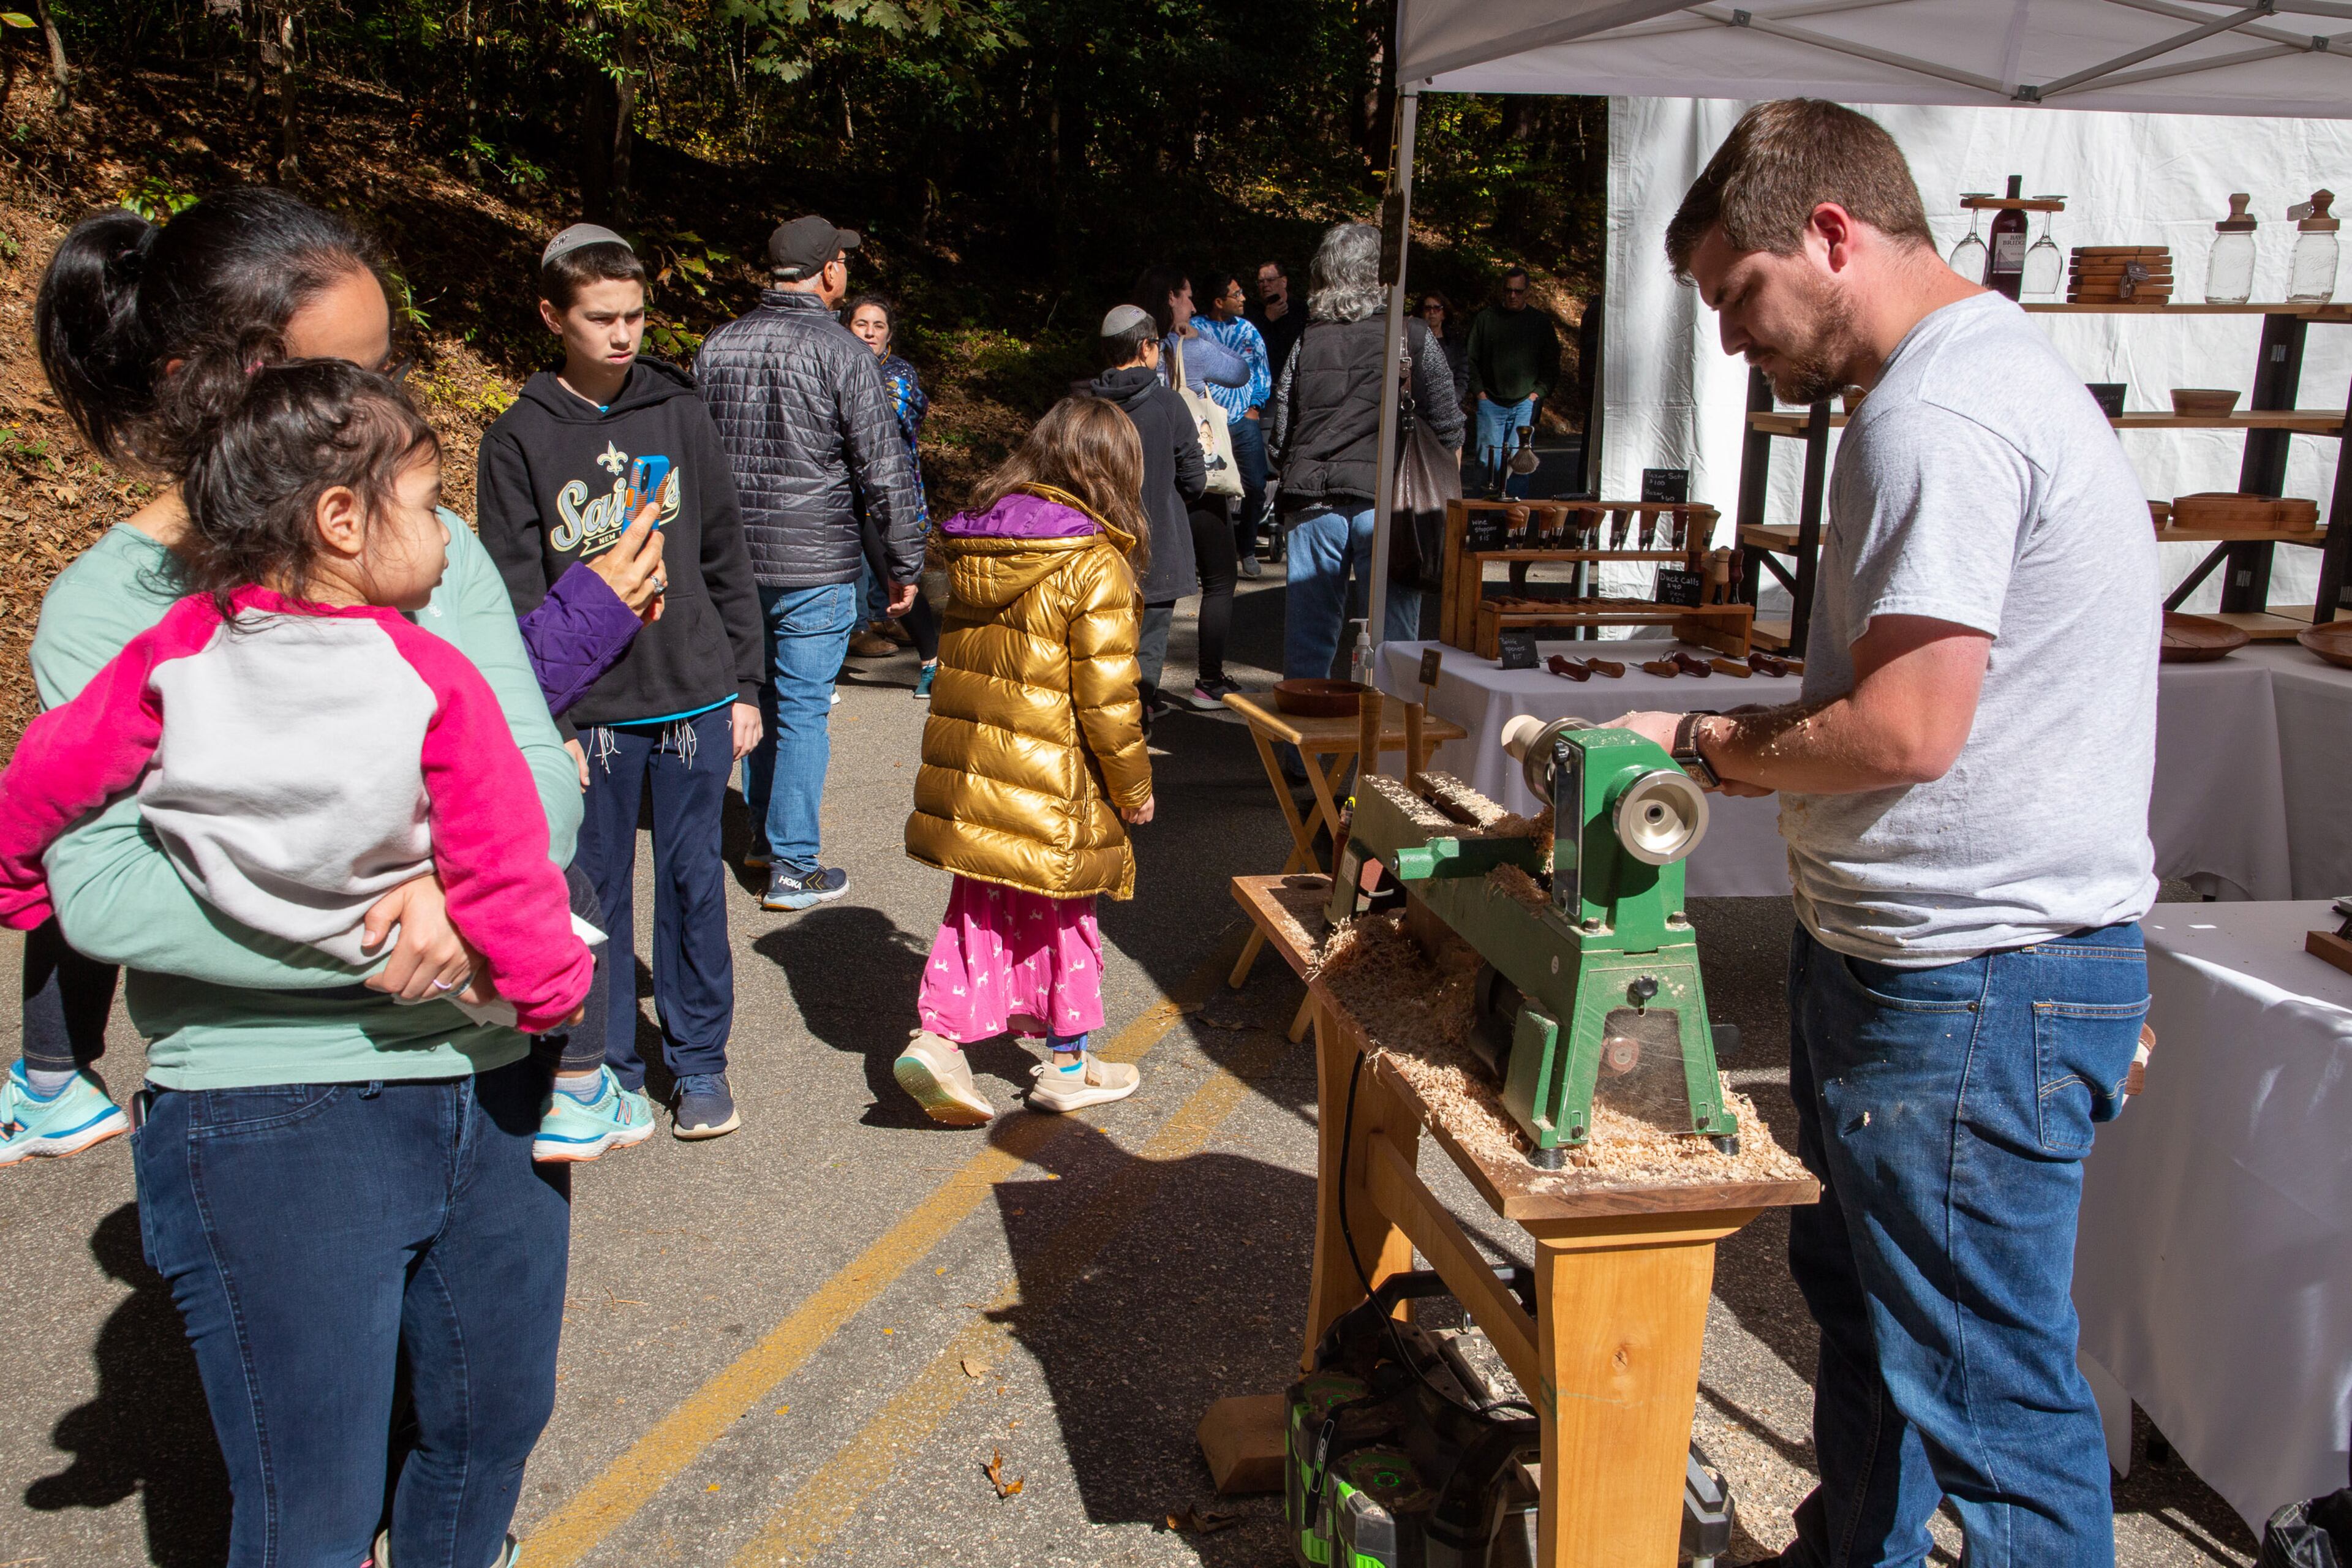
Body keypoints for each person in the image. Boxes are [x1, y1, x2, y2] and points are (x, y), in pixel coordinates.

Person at [1611, 98, 2158, 1567]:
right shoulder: (1974, 382)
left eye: (1739, 295)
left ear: (1832, 235)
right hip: (1939, 968)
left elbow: (1909, 726)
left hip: (1967, 984)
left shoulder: (1935, 409)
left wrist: (1723, 752)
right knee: (1874, 1326)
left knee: (1988, 1395)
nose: (1732, 340)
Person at [27, 188, 581, 1567]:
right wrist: (414, 920)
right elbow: (102, 889)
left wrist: (475, 910)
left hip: (489, 1081)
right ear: (205, 384)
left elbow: (542, 780)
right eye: (340, 366)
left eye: (386, 364)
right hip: (270, 1115)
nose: (374, 396)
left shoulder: (404, 536)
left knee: (484, 1440)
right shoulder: (114, 604)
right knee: (309, 1512)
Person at [0, 363, 594, 1036]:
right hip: (394, 944)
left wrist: (12, 868)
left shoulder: (181, 643)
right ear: (341, 519)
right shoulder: (431, 673)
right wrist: (545, 980)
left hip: (221, 948)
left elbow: (61, 760)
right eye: (430, 508)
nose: (445, 535)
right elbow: (496, 844)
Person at [477, 224, 766, 1142]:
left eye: (636, 315)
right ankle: (602, 1066)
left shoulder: (680, 412)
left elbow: (726, 551)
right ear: (552, 316)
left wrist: (749, 684)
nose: (622, 334)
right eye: (601, 317)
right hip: (592, 710)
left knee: (694, 887)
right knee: (592, 892)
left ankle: (701, 1064)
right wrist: (544, 714)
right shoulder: (518, 439)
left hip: (694, 696)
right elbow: (514, 594)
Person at [893, 397, 1155, 1124]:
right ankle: (1068, 1064)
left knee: (979, 909)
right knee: (1065, 914)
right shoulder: (1093, 561)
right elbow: (1108, 700)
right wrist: (1133, 788)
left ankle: (940, 1038)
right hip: (1054, 774)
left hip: (975, 769)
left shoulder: (983, 540)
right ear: (1114, 472)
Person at [697, 213, 921, 911]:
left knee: (754, 696)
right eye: (843, 263)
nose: (846, 272)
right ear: (828, 272)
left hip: (731, 564)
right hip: (816, 559)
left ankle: (765, 835)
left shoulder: (718, 344)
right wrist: (904, 558)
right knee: (799, 709)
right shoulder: (843, 353)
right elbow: (884, 467)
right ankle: (793, 863)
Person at [1267, 222, 1463, 689]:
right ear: (1381, 275)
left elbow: (1279, 438)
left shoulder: (1307, 342)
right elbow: (1450, 429)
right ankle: (1388, 750)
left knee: (1310, 643)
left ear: (1325, 276)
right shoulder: (1411, 337)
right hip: (1388, 501)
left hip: (1313, 501)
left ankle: (1302, 757)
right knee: (1393, 646)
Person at [1087, 304, 1207, 715]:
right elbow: (1195, 480)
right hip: (1157, 550)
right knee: (1149, 647)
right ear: (1145, 347)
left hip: (1094, 552)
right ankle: (1139, 722)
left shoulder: (1082, 405)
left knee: (1099, 646)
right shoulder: (1169, 405)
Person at [844, 292, 941, 698]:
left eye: (877, 326)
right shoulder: (833, 365)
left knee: (896, 576)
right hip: (836, 489)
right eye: (860, 324)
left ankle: (933, 663)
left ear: (889, 336)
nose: (868, 332)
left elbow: (884, 418)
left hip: (884, 493)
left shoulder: (898, 373)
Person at [1193, 271, 1272, 591]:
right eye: (1236, 294)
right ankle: (1208, 556)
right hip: (1207, 421)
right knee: (1208, 487)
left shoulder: (1249, 331)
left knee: (1255, 484)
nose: (1243, 299)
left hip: (1242, 419)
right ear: (1218, 301)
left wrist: (1255, 407)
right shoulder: (1196, 330)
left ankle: (1247, 547)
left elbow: (1262, 371)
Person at [1464, 266, 1559, 498]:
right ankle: (1482, 522)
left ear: (1528, 292)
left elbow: (1552, 362)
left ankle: (1514, 522)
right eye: (1508, 291)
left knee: (1520, 462)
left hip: (1524, 402)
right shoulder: (1487, 319)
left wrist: (1538, 393)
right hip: (1491, 402)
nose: (1513, 296)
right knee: (1487, 462)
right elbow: (1470, 358)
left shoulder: (1539, 322)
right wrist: (1479, 392)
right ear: (1502, 291)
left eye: (1518, 291)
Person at [1251, 258, 1305, 391]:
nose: (1265, 285)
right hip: (1265, 385)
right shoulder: (1252, 313)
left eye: (1270, 280)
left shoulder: (1302, 310)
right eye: (1261, 282)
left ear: (1284, 282)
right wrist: (1267, 319)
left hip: (1297, 382)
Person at [1414, 290, 1471, 412]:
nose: (1432, 312)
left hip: (1449, 407)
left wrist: (1454, 400)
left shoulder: (1455, 344)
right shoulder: (1414, 342)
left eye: (1437, 308)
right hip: (1420, 408)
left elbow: (1462, 377)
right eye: (1428, 308)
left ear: (1444, 314)